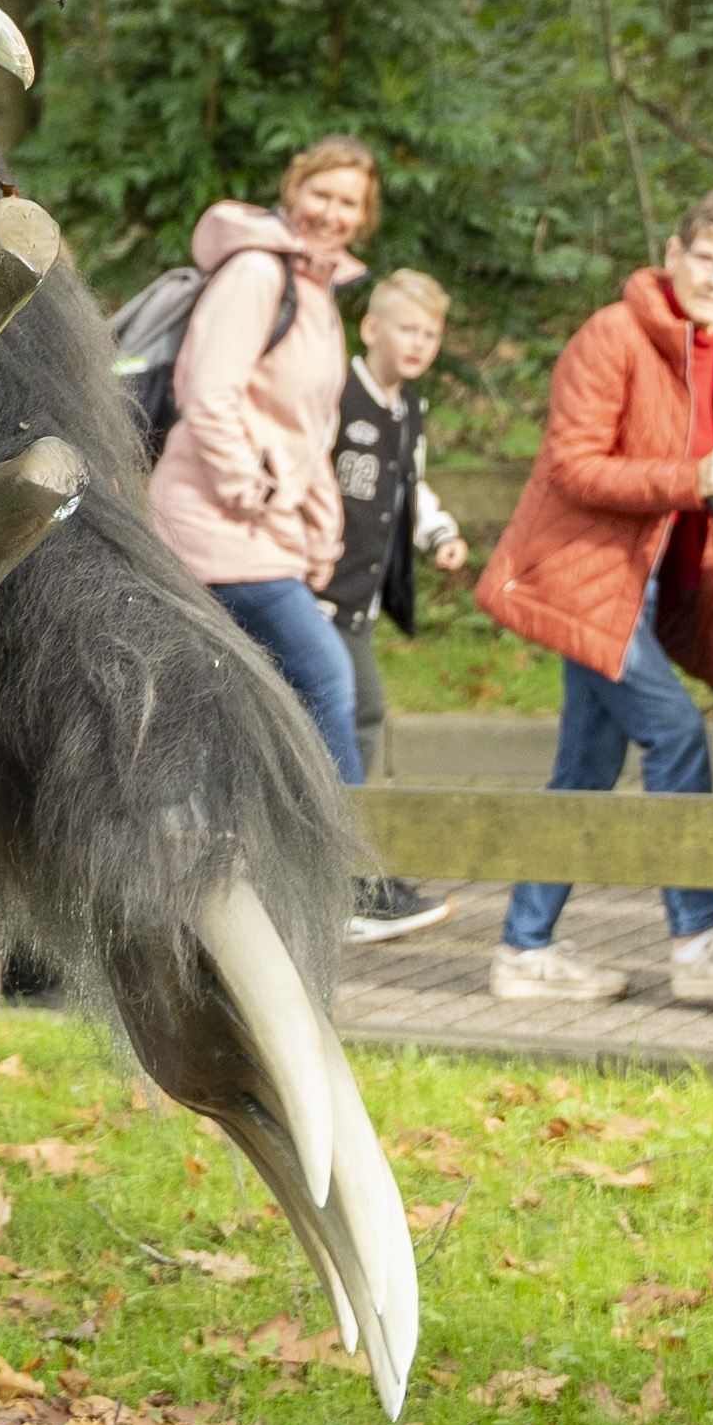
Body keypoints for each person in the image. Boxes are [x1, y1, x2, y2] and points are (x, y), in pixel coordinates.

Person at [475, 180, 713, 1011]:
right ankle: (698, 943)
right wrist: (689, 475)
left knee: (586, 771)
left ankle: (524, 951)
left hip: (635, 584)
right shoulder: (613, 336)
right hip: (579, 578)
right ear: (673, 255)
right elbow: (574, 464)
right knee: (677, 735)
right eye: (703, 257)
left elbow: (711, 466)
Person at [139, 135, 378, 787]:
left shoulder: (318, 294)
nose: (331, 212)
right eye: (320, 193)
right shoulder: (257, 273)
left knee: (238, 710)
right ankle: (355, 879)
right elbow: (207, 394)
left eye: (347, 202)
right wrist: (252, 492)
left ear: (364, 216)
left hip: (265, 532)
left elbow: (308, 430)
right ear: (292, 190)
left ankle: (278, 869)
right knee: (327, 679)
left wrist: (323, 530)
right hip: (215, 523)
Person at [325, 266, 469, 938]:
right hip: (316, 591)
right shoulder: (335, 392)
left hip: (362, 601)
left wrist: (437, 531)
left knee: (358, 713)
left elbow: (412, 487)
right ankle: (349, 875)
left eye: (430, 334)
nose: (418, 343)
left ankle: (343, 866)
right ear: (371, 327)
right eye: (407, 328)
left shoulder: (409, 410)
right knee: (359, 707)